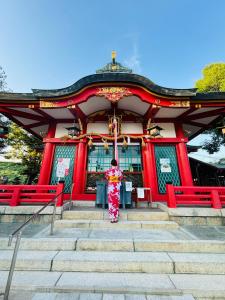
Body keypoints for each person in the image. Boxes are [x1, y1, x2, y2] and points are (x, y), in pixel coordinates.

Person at [105, 159, 123, 223]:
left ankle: (112, 218)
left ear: (111, 164)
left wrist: (111, 179)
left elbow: (107, 178)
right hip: (116, 189)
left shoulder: (108, 171)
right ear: (116, 164)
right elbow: (121, 178)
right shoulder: (119, 171)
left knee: (111, 203)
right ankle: (115, 218)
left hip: (111, 188)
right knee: (116, 203)